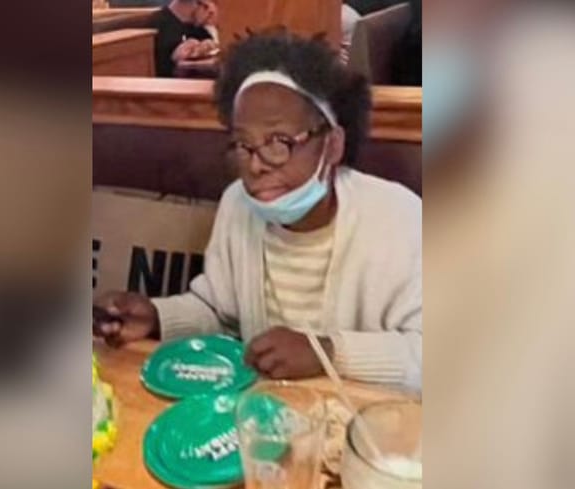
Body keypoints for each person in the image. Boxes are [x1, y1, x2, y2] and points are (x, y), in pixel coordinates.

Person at [94, 31, 422, 391]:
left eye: (279, 142)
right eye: (242, 144)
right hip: (263, 418)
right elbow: (220, 313)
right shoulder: (238, 203)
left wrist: (327, 352)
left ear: (332, 144)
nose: (256, 165)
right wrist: (157, 317)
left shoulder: (400, 219)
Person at [146, 0, 218, 77]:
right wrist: (175, 61)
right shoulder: (156, 26)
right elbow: (155, 70)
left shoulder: (199, 27)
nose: (211, 10)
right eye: (208, 4)